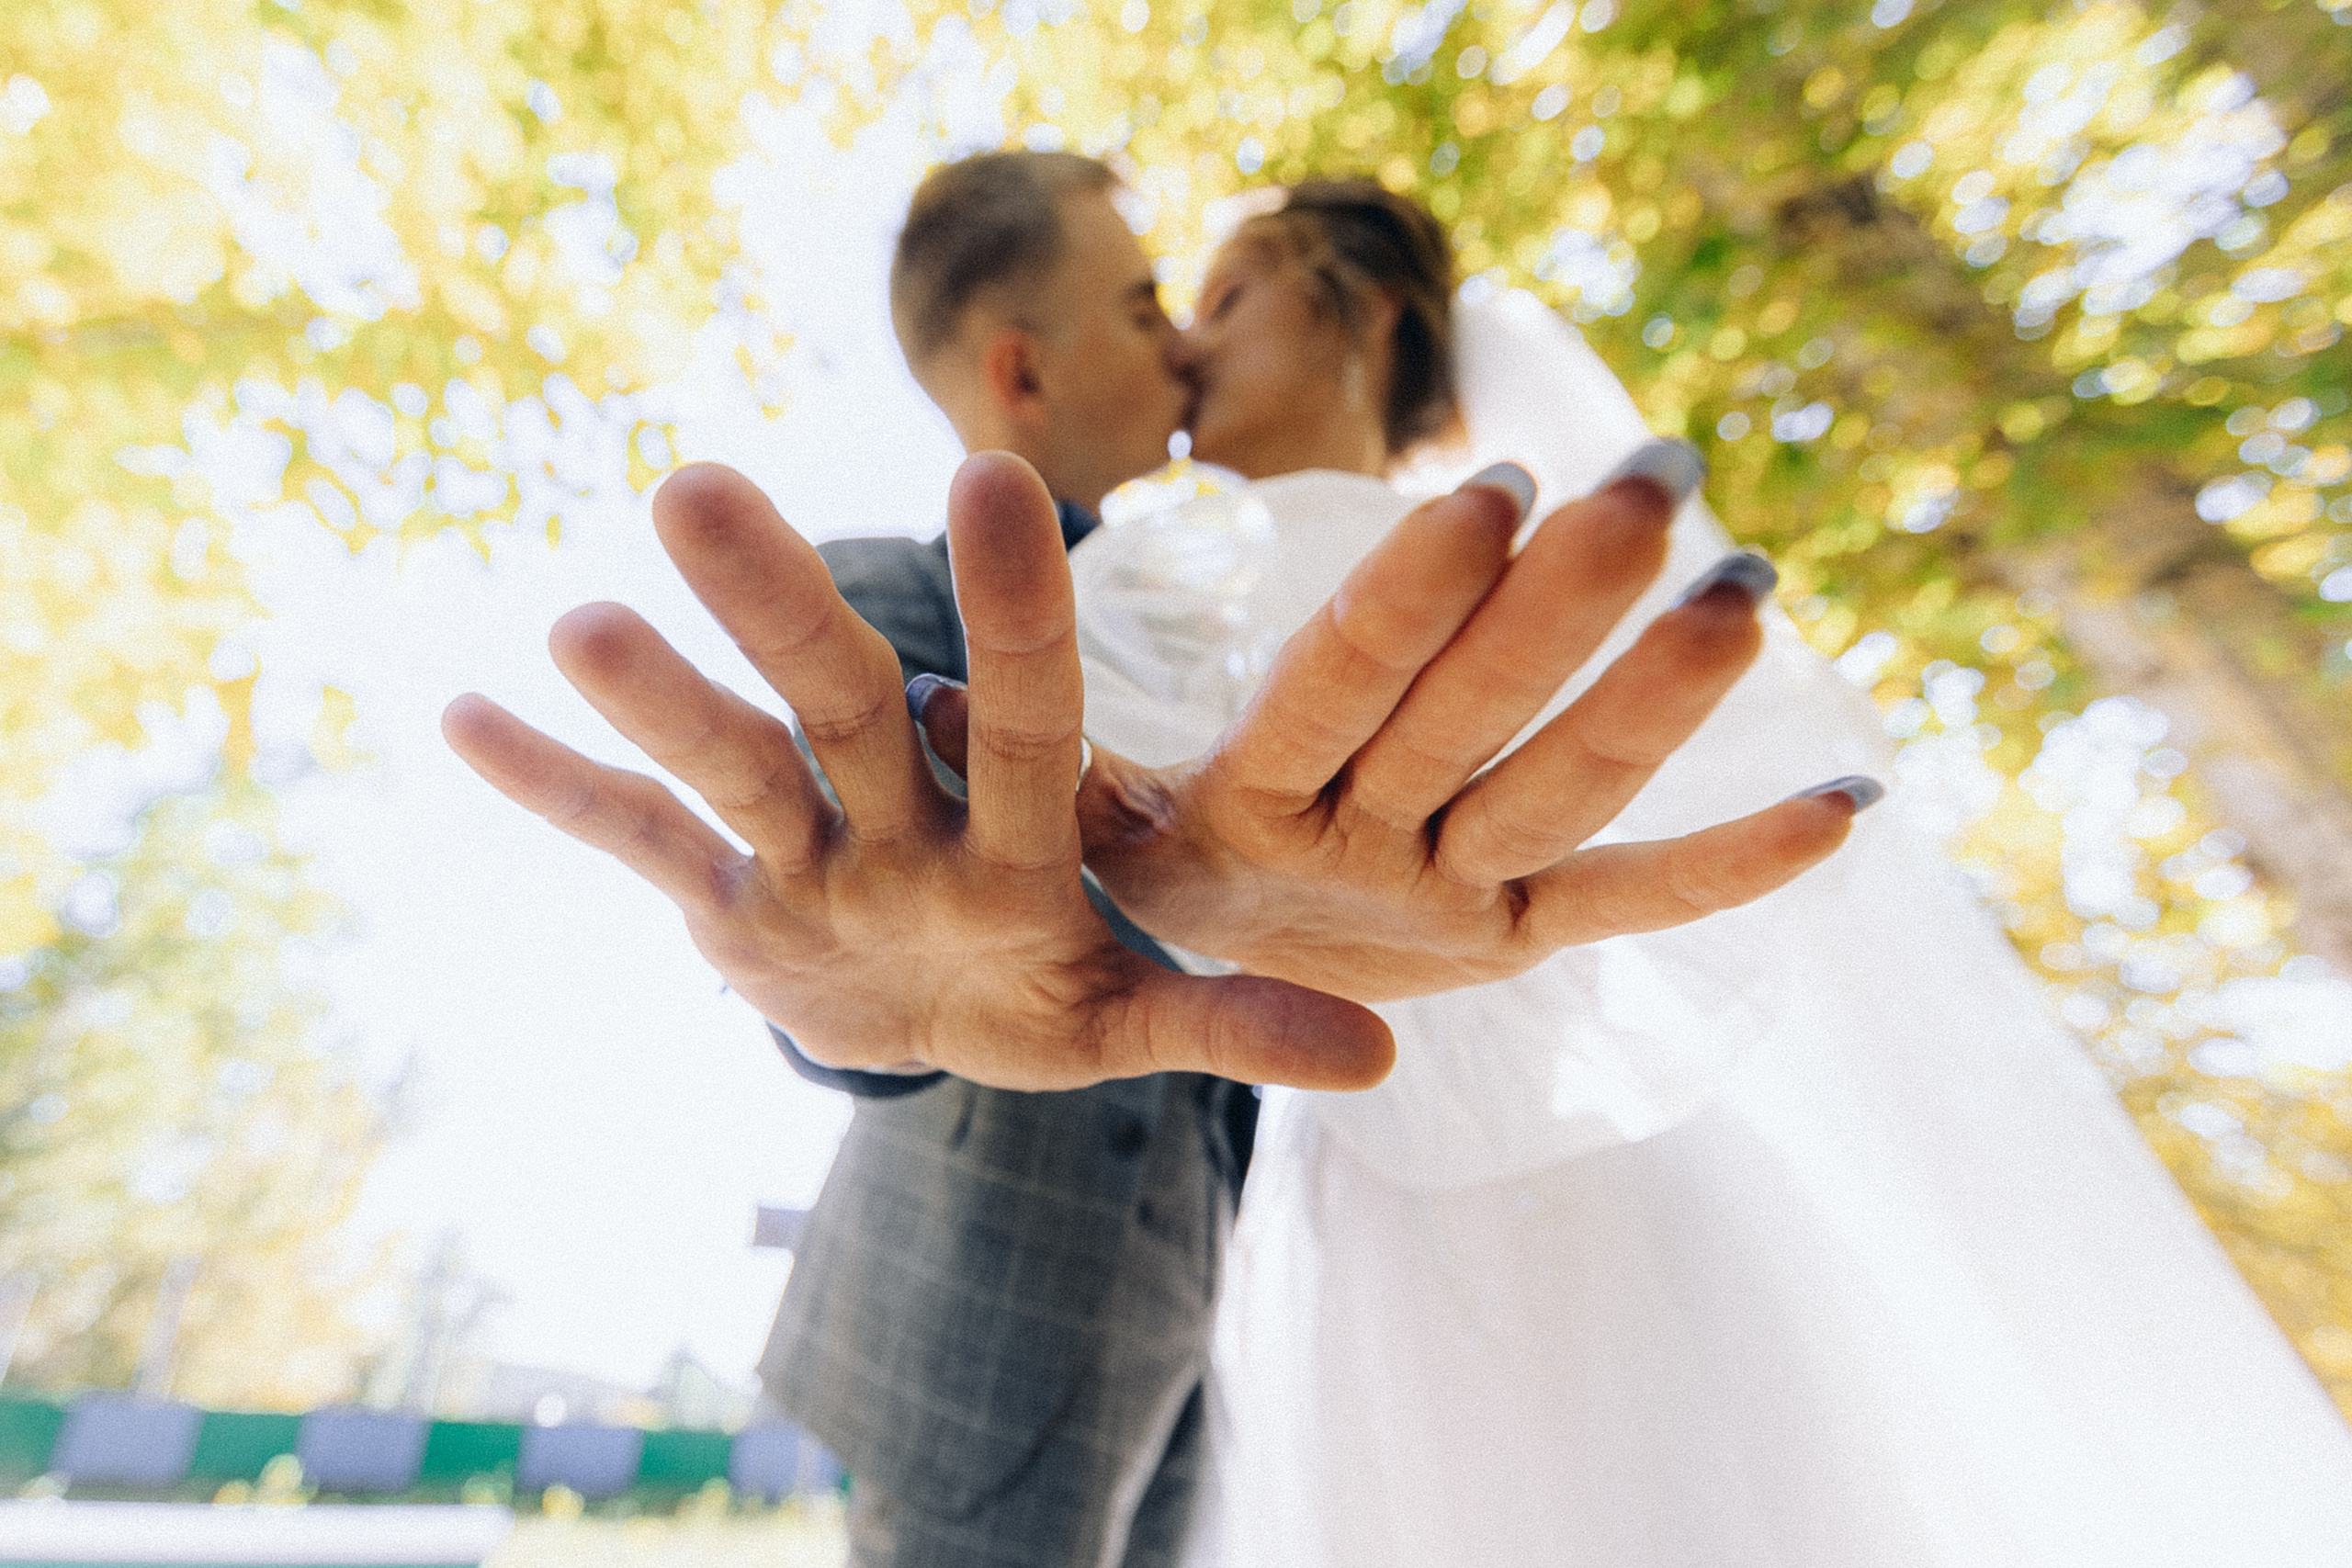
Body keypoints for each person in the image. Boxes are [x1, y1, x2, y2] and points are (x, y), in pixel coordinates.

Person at [441, 152, 1863, 1567]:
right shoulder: (888, 595)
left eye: (1200, 301)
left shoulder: (1285, 601)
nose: (1182, 342)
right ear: (1027, 371)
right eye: (1143, 308)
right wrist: (860, 1011)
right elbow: (855, 865)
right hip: (986, 1344)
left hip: (1262, 1325)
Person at [1053, 178, 2352, 1567]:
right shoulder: (1151, 574)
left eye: (1228, 300)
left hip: (1616, 1184)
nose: (1185, 357)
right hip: (1353, 1195)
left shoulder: (1536, 589)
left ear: (1363, 316)